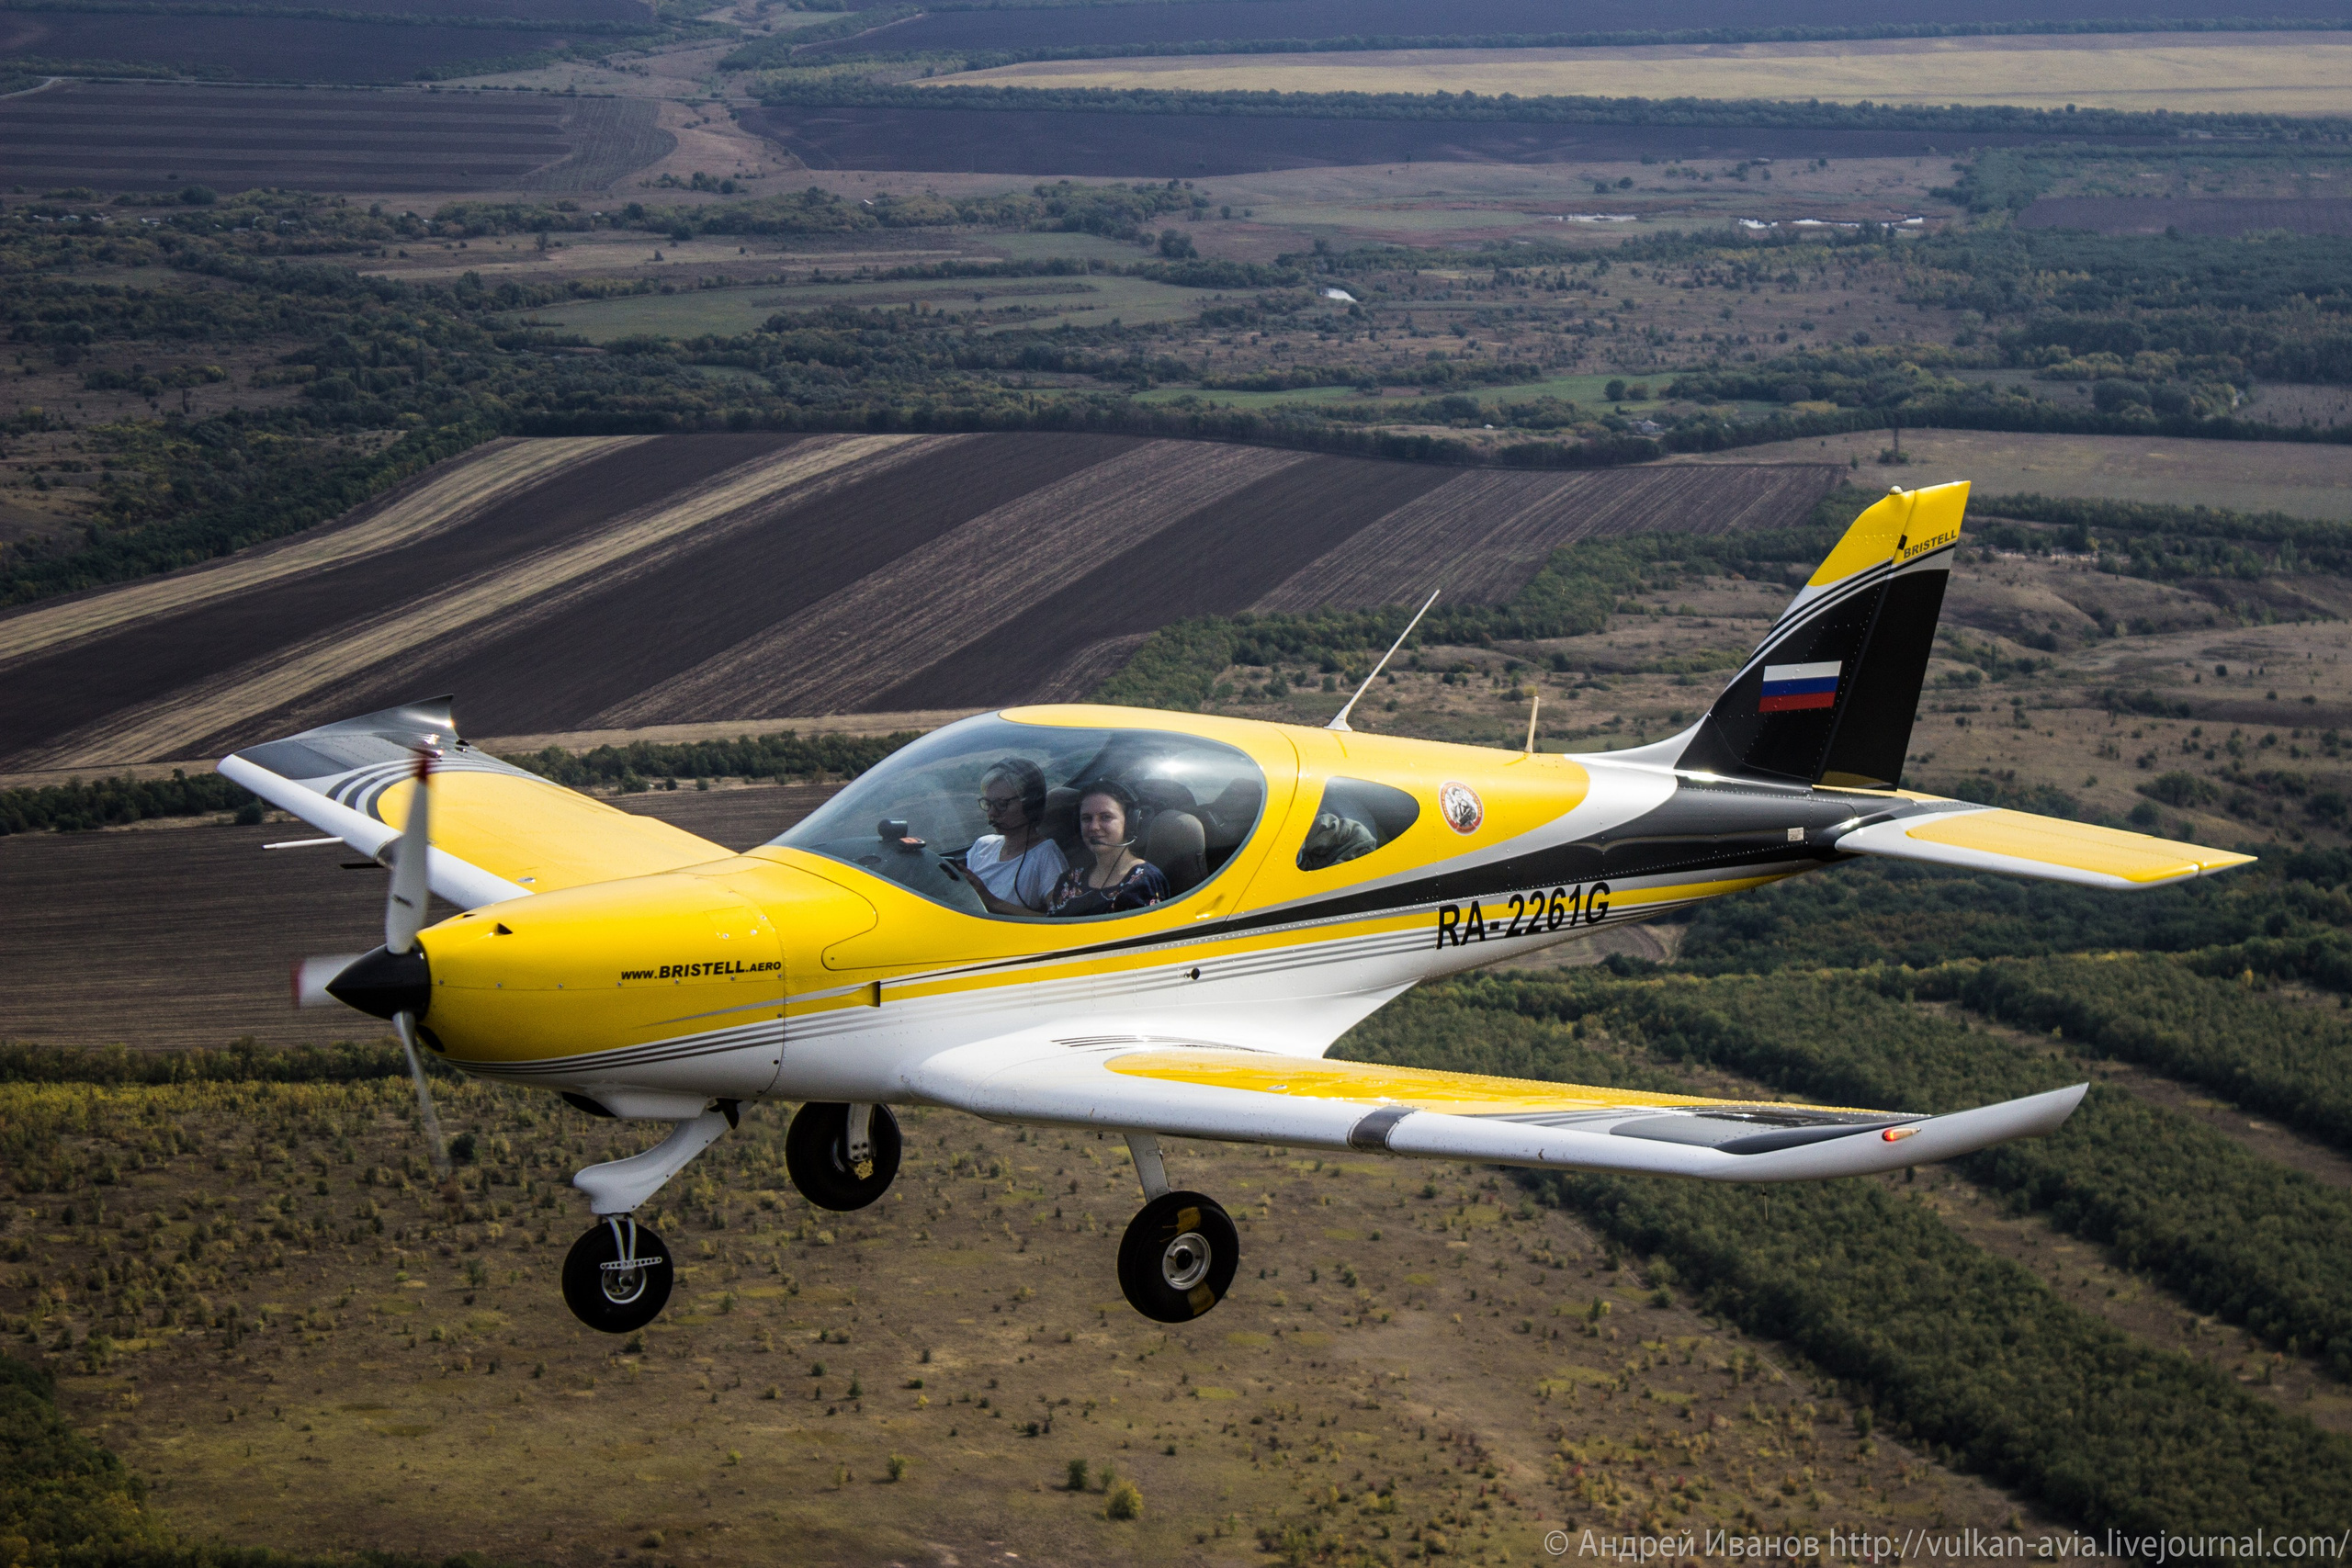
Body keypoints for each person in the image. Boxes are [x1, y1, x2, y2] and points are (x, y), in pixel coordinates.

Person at [956, 759, 1067, 915]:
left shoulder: (1046, 856)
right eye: (988, 803)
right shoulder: (982, 846)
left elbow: (1060, 923)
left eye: (1002, 804)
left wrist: (991, 902)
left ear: (1031, 805)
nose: (991, 813)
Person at [1046, 782, 1169, 918]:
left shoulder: (1144, 881)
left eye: (1105, 817)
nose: (1094, 827)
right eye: (1087, 818)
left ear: (1129, 822)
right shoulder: (1070, 880)